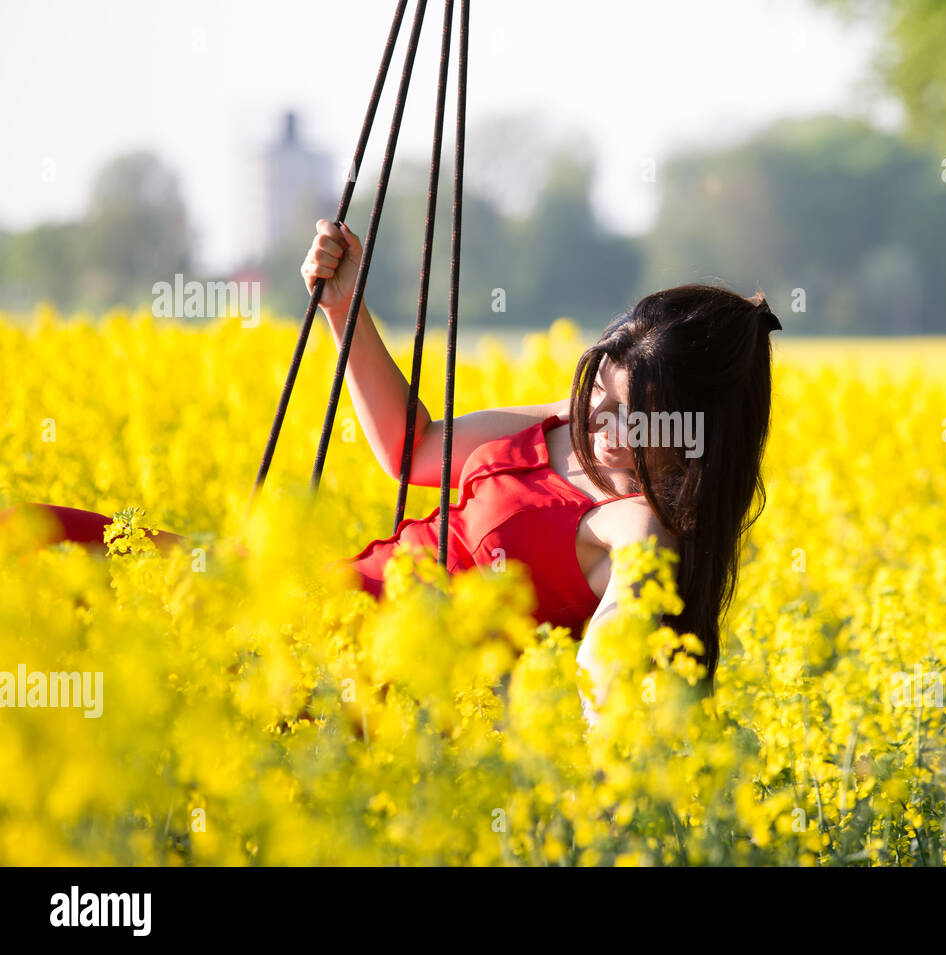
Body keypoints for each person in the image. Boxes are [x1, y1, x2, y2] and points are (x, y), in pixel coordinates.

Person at [0, 219, 781, 727]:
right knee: (34, 535)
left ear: (697, 434)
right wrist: (345, 306)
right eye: (600, 392)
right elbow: (414, 448)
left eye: (631, 417)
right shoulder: (565, 426)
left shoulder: (637, 527)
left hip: (345, 677)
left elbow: (612, 644)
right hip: (312, 595)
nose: (599, 422)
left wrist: (603, 711)